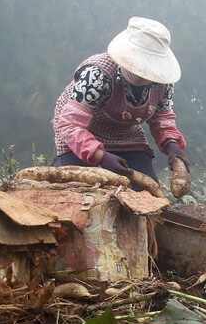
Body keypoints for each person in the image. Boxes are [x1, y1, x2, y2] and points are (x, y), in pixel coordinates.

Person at [51, 17, 190, 194]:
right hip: (79, 132)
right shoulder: (97, 74)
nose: (144, 75)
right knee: (86, 195)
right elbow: (70, 125)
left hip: (126, 134)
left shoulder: (163, 81)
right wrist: (101, 156)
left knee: (148, 198)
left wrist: (172, 144)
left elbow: (161, 116)